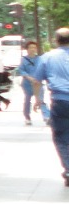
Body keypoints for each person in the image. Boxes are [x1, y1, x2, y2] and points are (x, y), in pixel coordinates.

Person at [29, 28, 69, 187]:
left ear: (56, 40)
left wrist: (38, 99)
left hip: (59, 101)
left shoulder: (47, 57)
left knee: (61, 136)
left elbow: (36, 81)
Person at [17, 40, 44, 125]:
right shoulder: (24, 59)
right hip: (27, 83)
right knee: (27, 100)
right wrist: (28, 77)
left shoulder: (40, 59)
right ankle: (27, 117)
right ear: (27, 49)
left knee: (40, 99)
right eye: (31, 47)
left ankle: (47, 116)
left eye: (34, 47)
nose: (33, 49)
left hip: (38, 82)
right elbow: (21, 70)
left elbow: (43, 70)